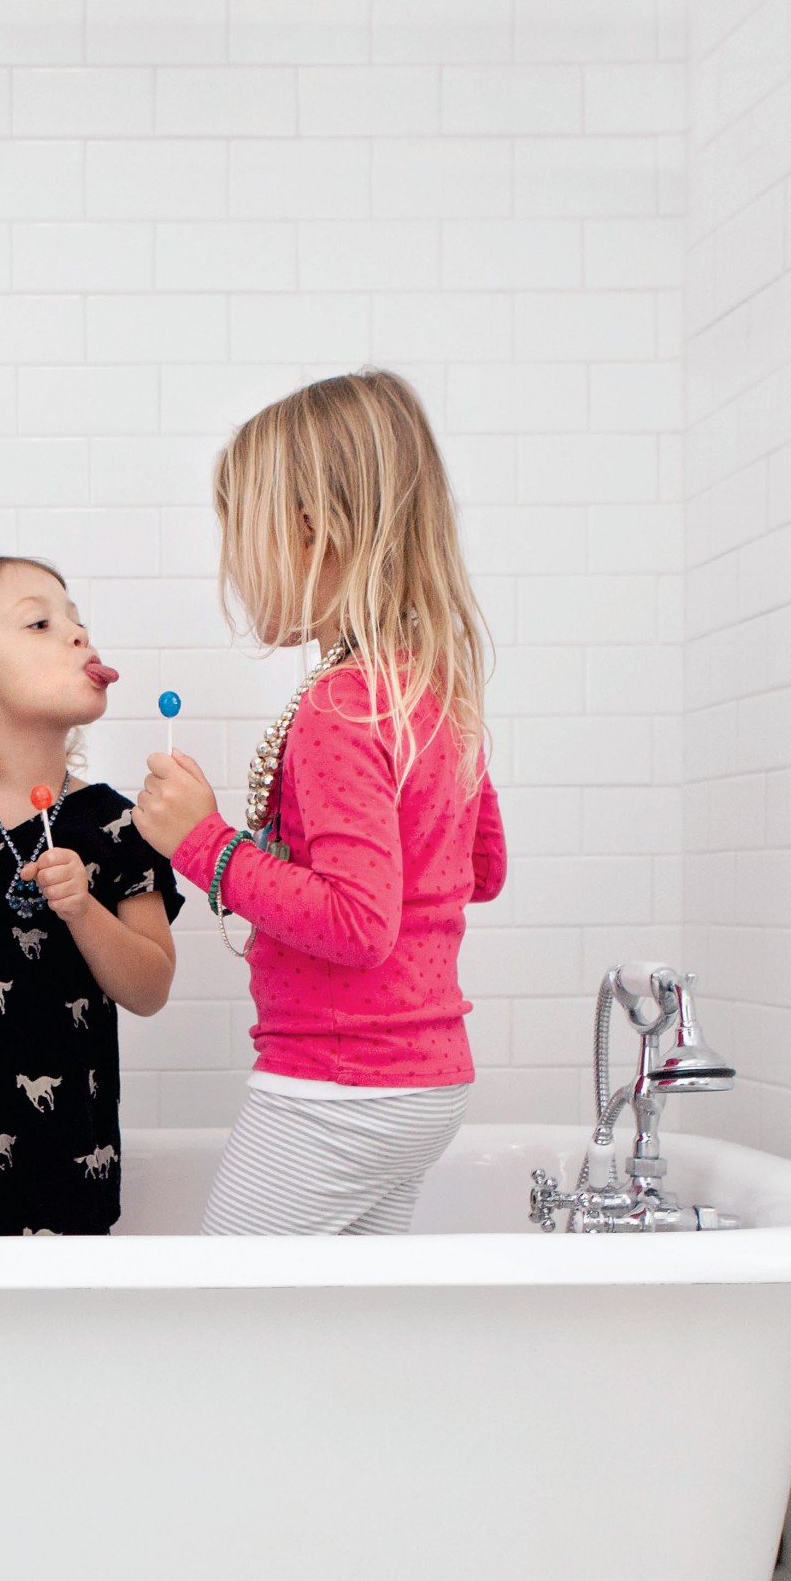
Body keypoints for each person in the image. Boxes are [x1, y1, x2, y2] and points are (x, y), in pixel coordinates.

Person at [135, 370, 507, 1236]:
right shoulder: (431, 692)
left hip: (339, 1086)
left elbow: (357, 922)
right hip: (425, 1081)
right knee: (344, 1310)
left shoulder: (341, 705)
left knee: (224, 1303)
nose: (233, 564)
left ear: (310, 531)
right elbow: (480, 869)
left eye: (240, 531)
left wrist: (204, 843)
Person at [0, 557, 180, 1236]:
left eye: (76, 619)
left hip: (70, 1181)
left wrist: (83, 909)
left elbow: (150, 989)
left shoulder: (118, 824)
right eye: (39, 623)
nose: (78, 634)